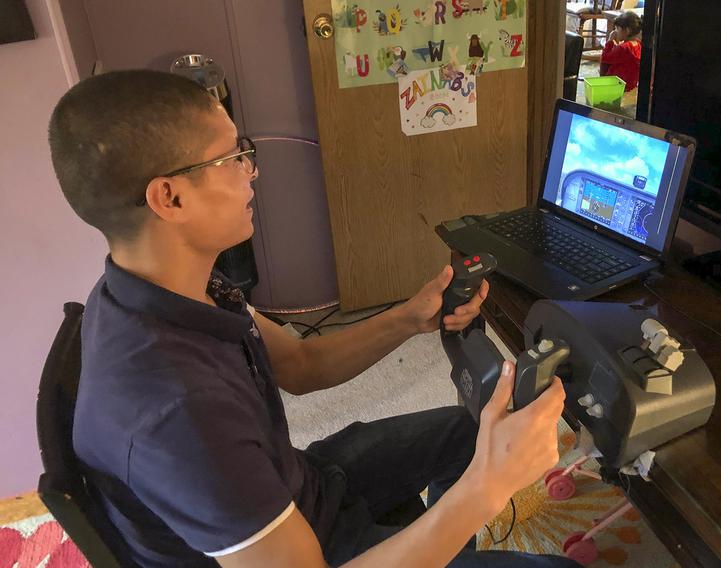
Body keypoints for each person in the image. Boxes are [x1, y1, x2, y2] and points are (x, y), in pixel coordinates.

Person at [48, 69, 579, 567]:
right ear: (170, 196)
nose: (250, 171)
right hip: (308, 542)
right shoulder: (175, 412)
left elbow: (301, 364)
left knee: (475, 430)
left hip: (304, 485)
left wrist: (408, 317)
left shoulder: (165, 287)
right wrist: (487, 487)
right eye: (232, 158)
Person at [599, 11, 643, 92]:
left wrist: (610, 41)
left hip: (617, 84)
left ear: (627, 30)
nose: (615, 31)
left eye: (617, 28)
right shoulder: (638, 44)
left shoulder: (624, 48)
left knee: (604, 64)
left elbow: (605, 58)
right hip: (631, 83)